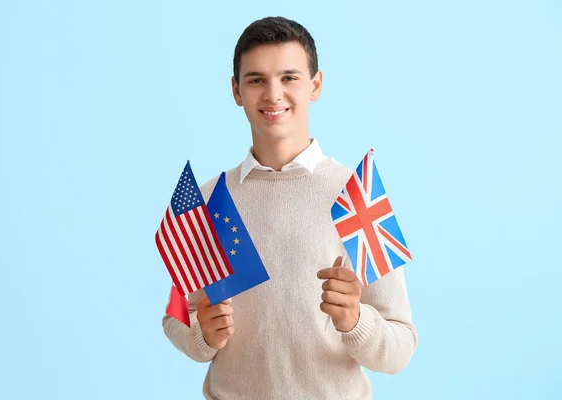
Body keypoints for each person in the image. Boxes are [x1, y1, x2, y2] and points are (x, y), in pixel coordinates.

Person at [162, 16, 418, 400]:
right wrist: (202, 336)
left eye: (289, 78)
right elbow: (176, 318)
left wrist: (355, 320)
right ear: (236, 90)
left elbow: (401, 346)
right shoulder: (211, 199)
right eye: (256, 80)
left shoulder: (355, 195)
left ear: (315, 85)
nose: (273, 94)